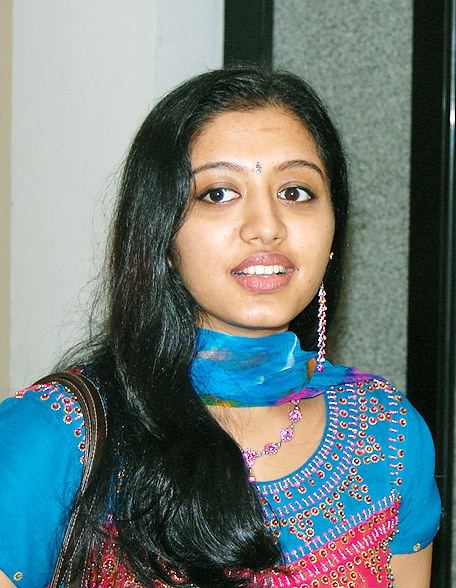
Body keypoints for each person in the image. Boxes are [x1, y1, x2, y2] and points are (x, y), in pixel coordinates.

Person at [0, 65, 441, 588]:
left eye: (297, 191)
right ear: (161, 233)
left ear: (331, 231)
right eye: (218, 193)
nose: (267, 227)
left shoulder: (388, 432)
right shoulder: (54, 434)